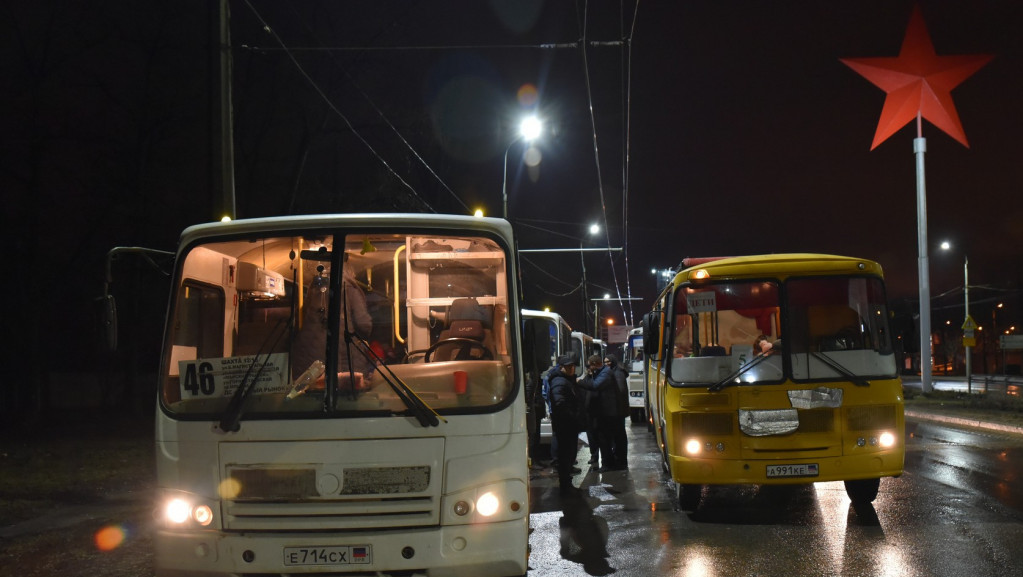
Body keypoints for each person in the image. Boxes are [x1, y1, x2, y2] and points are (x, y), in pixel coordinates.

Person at [547, 352, 583, 494]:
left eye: (573, 366)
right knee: (565, 455)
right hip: (565, 425)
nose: (571, 369)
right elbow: (560, 403)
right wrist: (572, 416)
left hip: (569, 425)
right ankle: (565, 485)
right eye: (568, 367)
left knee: (569, 455)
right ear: (561, 367)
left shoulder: (567, 379)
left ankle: (567, 483)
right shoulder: (559, 382)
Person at [575, 354, 617, 472]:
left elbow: (595, 386)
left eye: (590, 365)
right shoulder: (599, 373)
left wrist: (579, 382)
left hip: (605, 412)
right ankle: (606, 462)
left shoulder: (606, 373)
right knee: (600, 438)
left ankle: (607, 464)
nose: (589, 368)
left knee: (605, 439)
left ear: (595, 364)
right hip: (599, 412)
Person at [604, 354, 630, 470]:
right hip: (618, 410)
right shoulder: (615, 372)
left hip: (618, 411)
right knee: (618, 436)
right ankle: (620, 459)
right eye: (605, 362)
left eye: (608, 362)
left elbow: (620, 391)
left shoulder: (617, 373)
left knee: (619, 437)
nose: (606, 364)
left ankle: (621, 461)